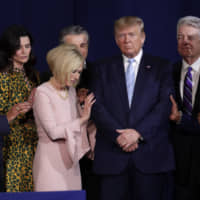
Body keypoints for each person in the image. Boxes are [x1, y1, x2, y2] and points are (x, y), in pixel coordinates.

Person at [90, 16, 175, 200]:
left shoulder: (162, 67)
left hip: (150, 158)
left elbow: (164, 105)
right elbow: (96, 106)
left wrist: (138, 133)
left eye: (131, 35)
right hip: (113, 157)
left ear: (143, 37)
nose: (126, 40)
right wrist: (118, 135)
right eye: (121, 35)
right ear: (115, 39)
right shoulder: (101, 68)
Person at [32, 44, 95, 191]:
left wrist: (81, 108)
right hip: (49, 164)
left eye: (79, 72)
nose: (77, 77)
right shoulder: (42, 92)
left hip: (71, 162)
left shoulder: (72, 91)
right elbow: (54, 132)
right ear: (61, 67)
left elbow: (73, 123)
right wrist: (82, 119)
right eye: (73, 71)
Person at [0, 25, 40, 192]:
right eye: (18, 47)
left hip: (34, 144)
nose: (24, 51)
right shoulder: (2, 77)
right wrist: (12, 113)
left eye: (27, 46)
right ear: (9, 50)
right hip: (12, 147)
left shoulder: (33, 75)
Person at [170, 16, 200, 200]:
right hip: (176, 165)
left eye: (191, 37)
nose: (185, 41)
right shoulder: (167, 72)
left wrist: (180, 119)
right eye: (180, 37)